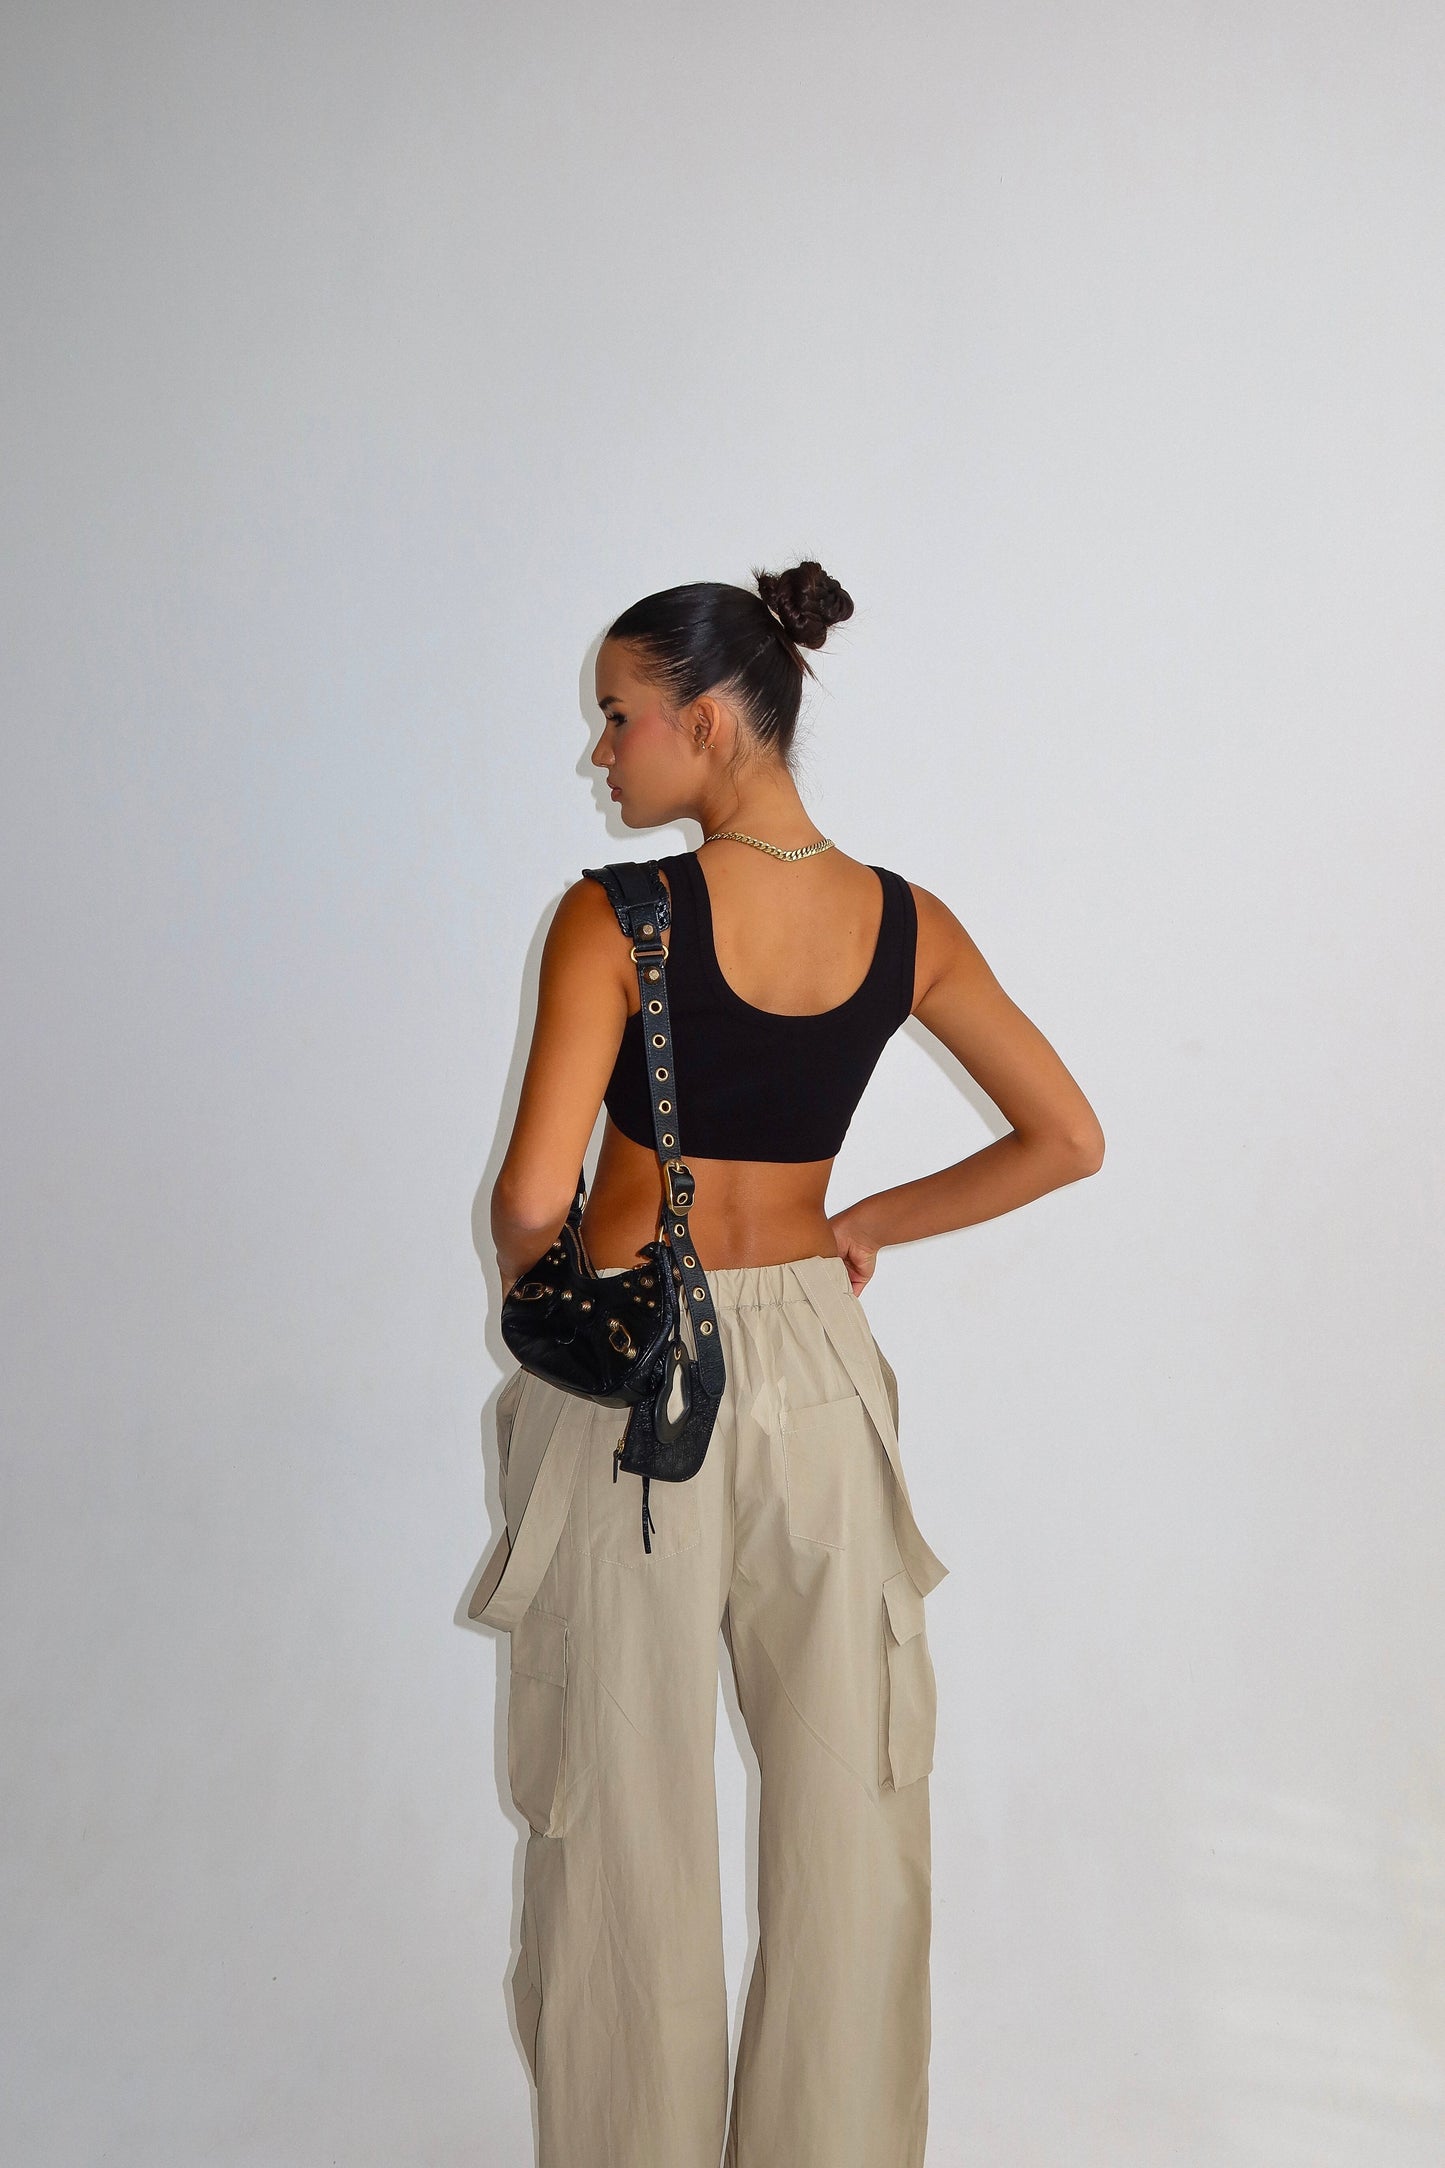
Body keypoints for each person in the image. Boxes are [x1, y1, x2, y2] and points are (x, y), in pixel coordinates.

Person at [474, 559, 1105, 2168]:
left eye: (616, 718)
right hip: (821, 1373)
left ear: (703, 721)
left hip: (633, 1382)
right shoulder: (904, 921)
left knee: (621, 1811)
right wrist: (858, 1224)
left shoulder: (614, 916)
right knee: (850, 1811)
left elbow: (533, 1199)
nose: (600, 752)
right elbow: (1065, 1137)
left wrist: (544, 1288)